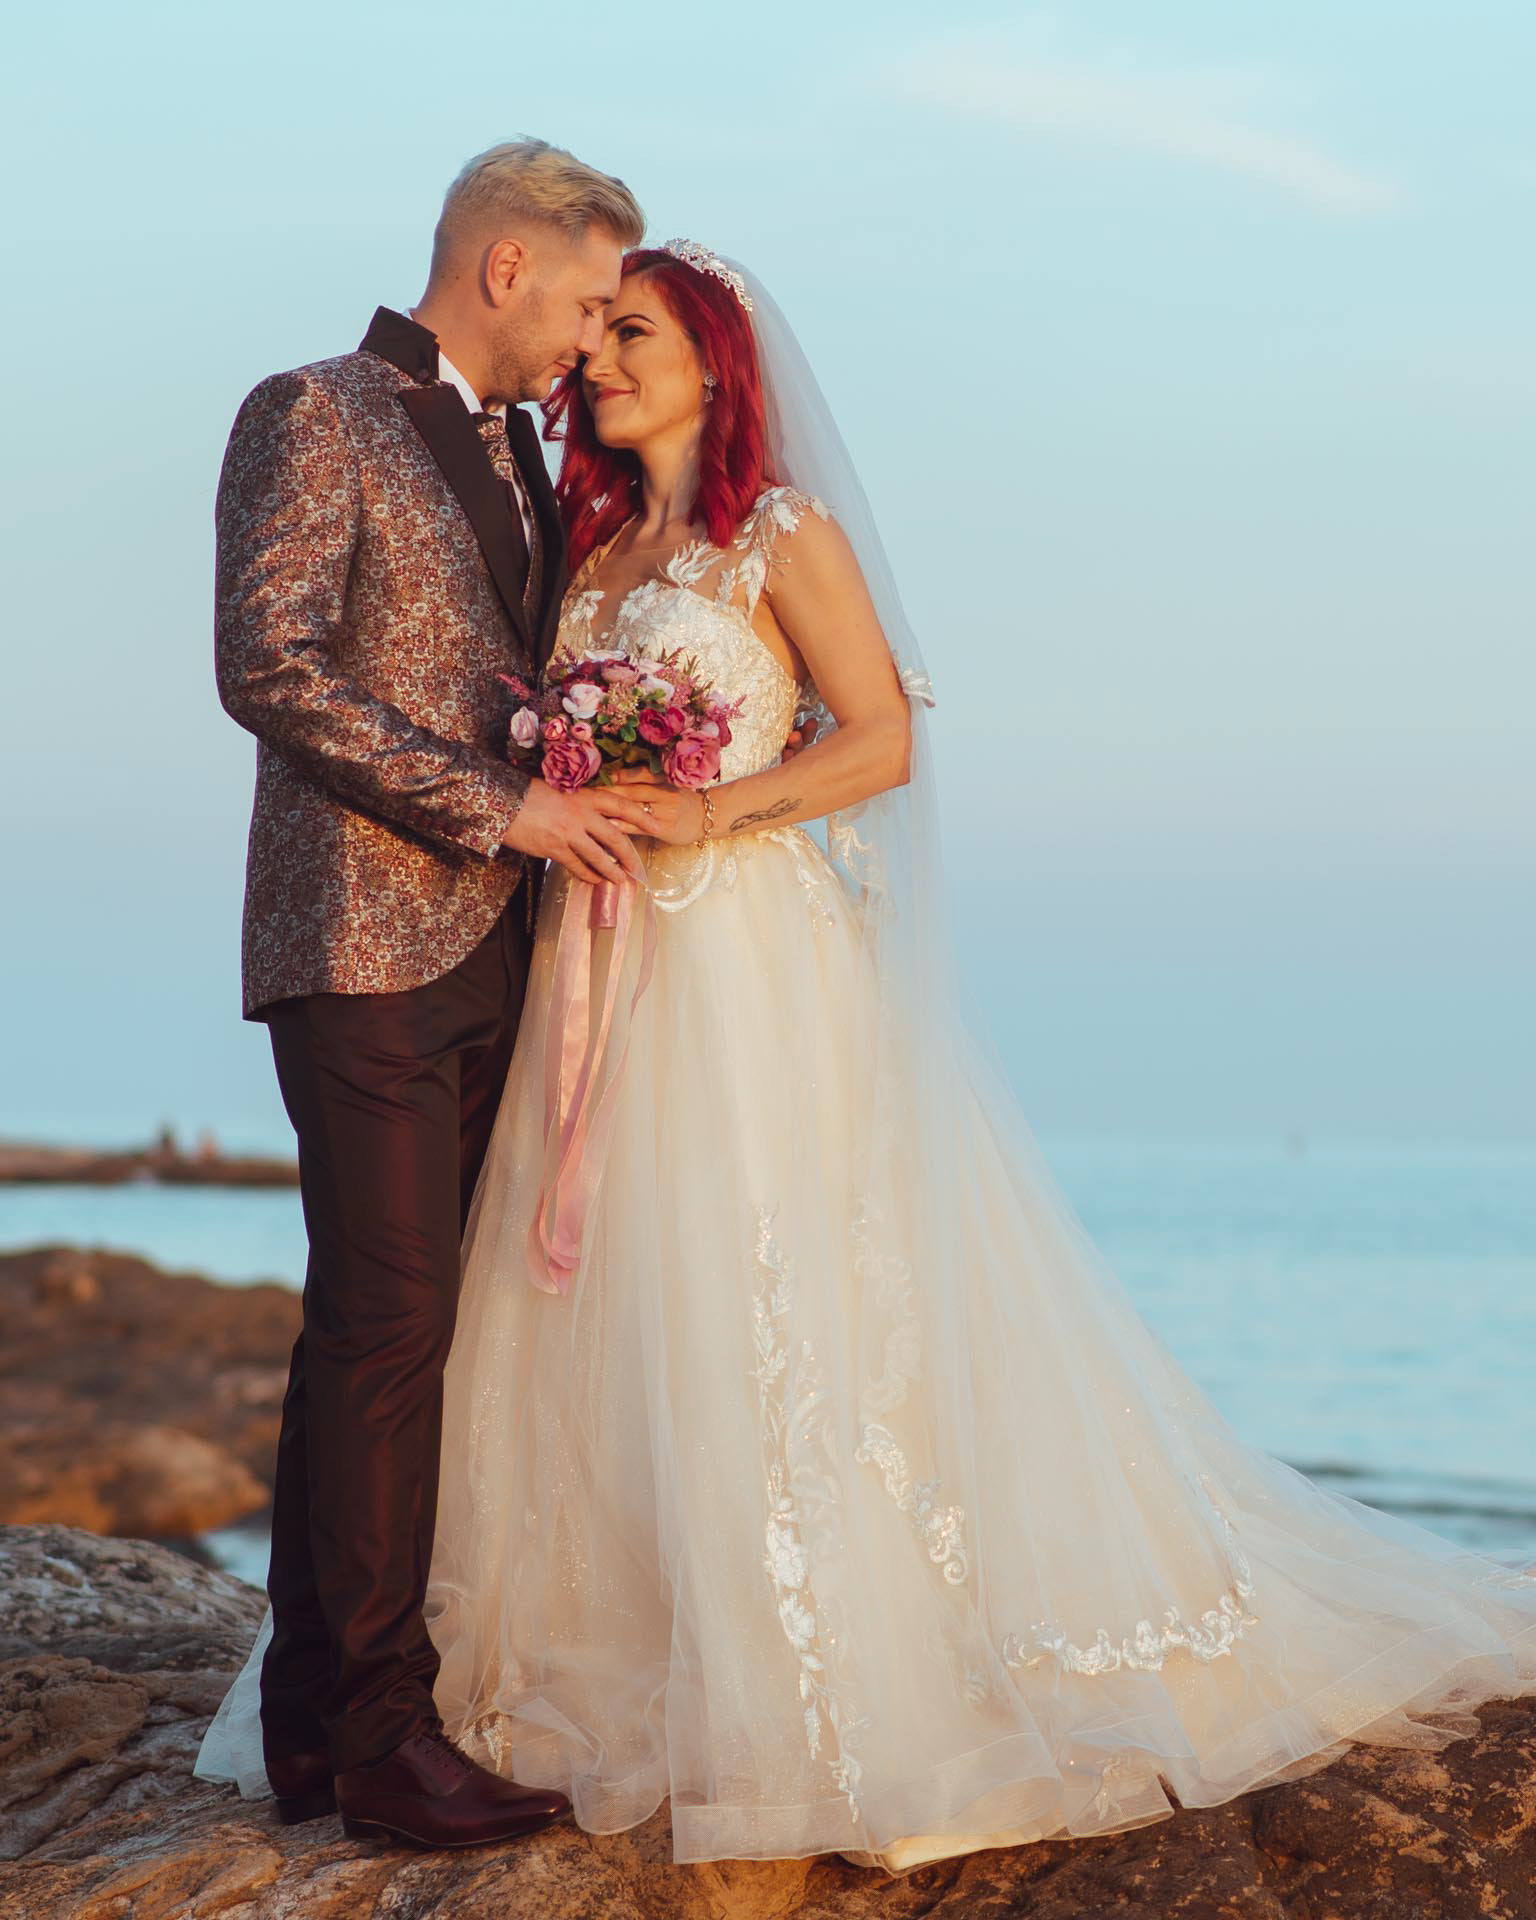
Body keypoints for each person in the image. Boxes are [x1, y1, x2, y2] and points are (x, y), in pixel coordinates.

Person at [201, 240, 1536, 1873]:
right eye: (597, 329)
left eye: (632, 335)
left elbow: (886, 732)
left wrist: (711, 808)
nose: (598, 360)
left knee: (756, 1281)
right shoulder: (594, 547)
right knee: (585, 1303)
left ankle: (813, 1662)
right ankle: (540, 1650)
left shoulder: (783, 535)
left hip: (747, 964)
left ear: (713, 364)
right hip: (588, 967)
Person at [203, 140, 658, 1850]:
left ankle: (320, 1716)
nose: (591, 341)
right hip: (361, 941)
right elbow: (268, 664)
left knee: (376, 1333)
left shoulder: (539, 461)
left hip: (497, 954)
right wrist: (509, 807)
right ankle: (393, 1745)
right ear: (505, 267)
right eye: (590, 300)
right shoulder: (313, 410)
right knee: (392, 1332)